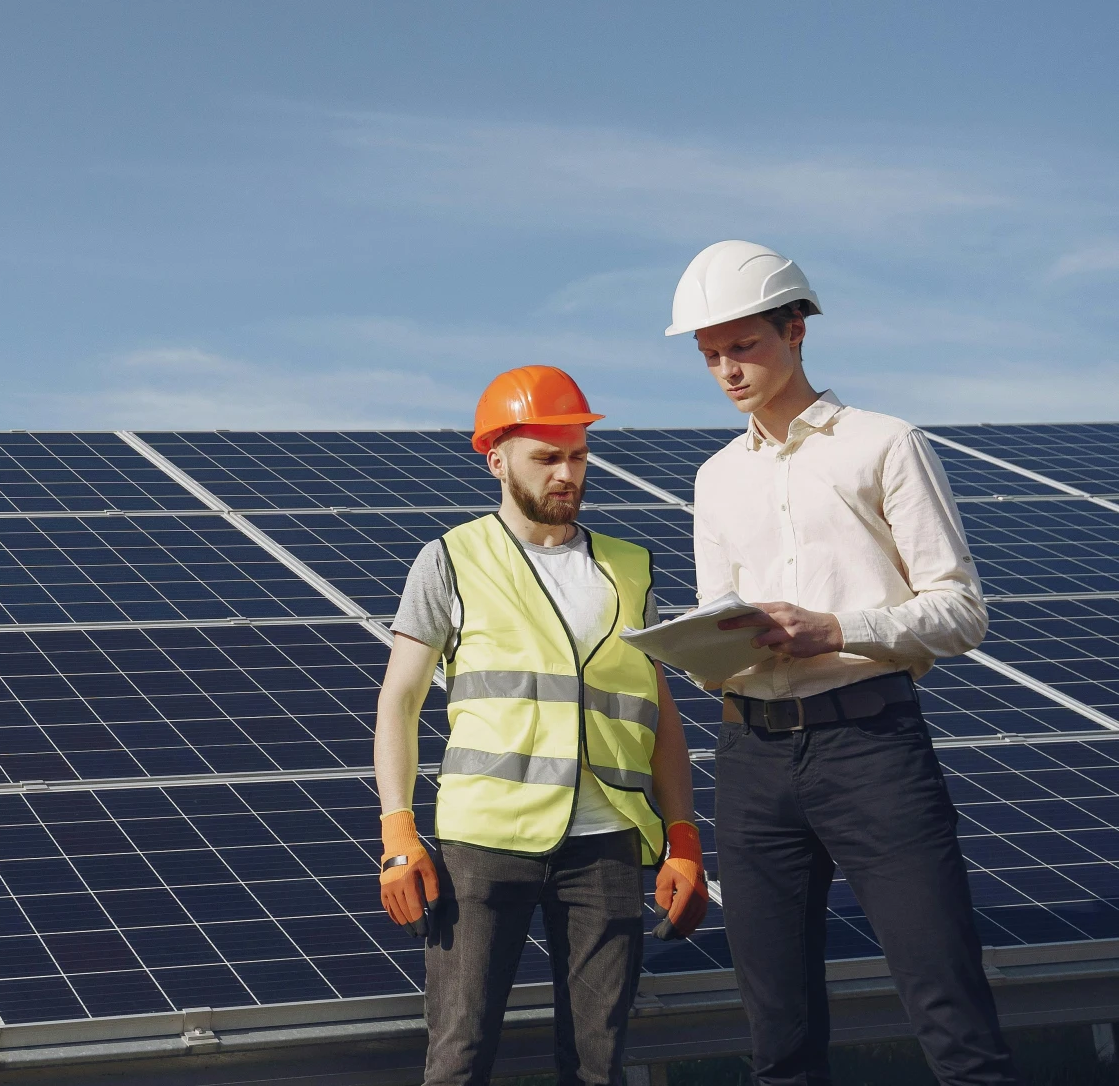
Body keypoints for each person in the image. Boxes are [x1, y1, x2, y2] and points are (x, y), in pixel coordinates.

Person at [670, 240, 1018, 1086]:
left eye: (743, 345)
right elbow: (722, 621)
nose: (726, 368)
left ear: (796, 330)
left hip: (872, 749)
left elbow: (962, 609)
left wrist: (834, 629)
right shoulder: (714, 480)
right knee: (779, 1035)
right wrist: (705, 655)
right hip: (750, 763)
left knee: (949, 1010)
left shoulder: (885, 444)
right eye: (710, 353)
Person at [373, 365, 708, 1086]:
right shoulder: (451, 560)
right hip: (483, 842)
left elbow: (659, 712)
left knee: (597, 1063)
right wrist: (398, 831)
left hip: (608, 845)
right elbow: (399, 699)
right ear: (496, 458)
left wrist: (683, 833)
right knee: (459, 1058)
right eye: (546, 456)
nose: (567, 472)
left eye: (578, 455)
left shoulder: (630, 568)